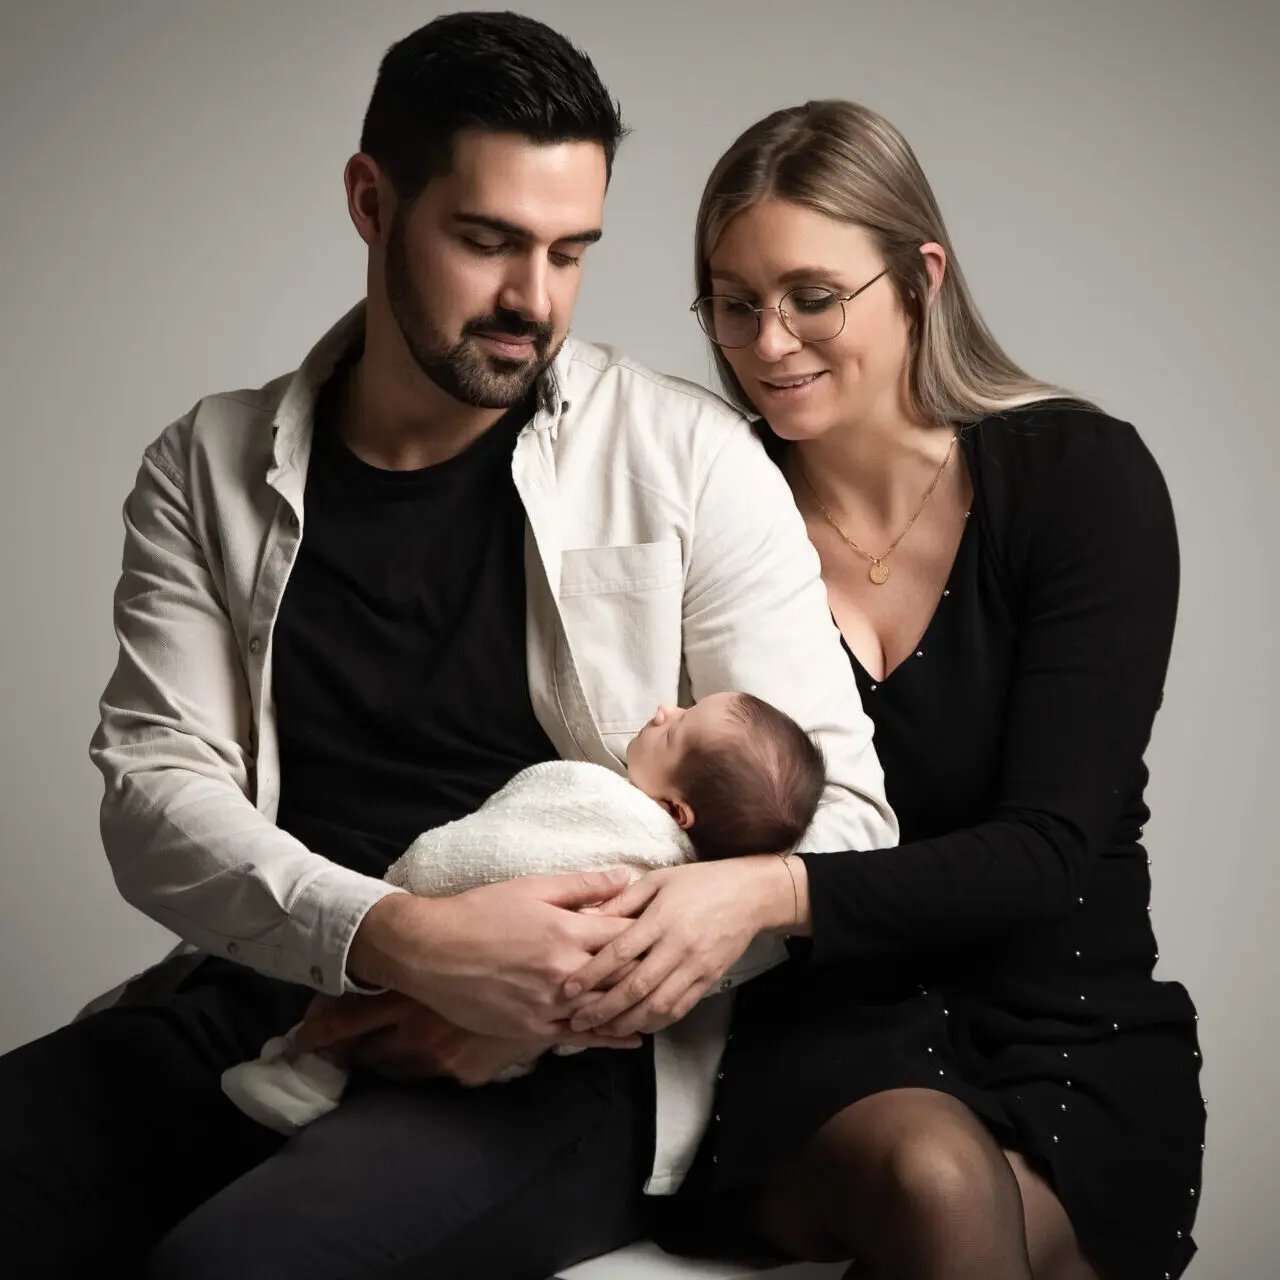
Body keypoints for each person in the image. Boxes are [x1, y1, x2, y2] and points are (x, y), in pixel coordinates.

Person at [0, 21, 897, 1277]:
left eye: (569, 251)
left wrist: (547, 990)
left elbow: (843, 817)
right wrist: (401, 943)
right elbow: (157, 793)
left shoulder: (685, 456)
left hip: (547, 1069)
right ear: (373, 202)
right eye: (486, 241)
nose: (533, 298)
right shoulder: (205, 466)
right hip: (265, 989)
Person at [563, 100, 1205, 1280]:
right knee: (935, 1177)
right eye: (732, 301)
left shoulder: (1078, 479)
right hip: (820, 1039)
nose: (766, 343)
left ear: (918, 277)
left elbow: (1048, 849)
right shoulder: (713, 503)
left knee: (991, 1215)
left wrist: (766, 885)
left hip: (1063, 1022)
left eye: (812, 295)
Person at [221, 692, 826, 1134]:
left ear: (676, 811)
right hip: (480, 1002)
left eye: (678, 729)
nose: (665, 709)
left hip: (515, 1017)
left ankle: (307, 1068)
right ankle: (315, 1071)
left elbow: (504, 846)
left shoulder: (619, 826)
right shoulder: (641, 832)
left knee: (357, 1010)